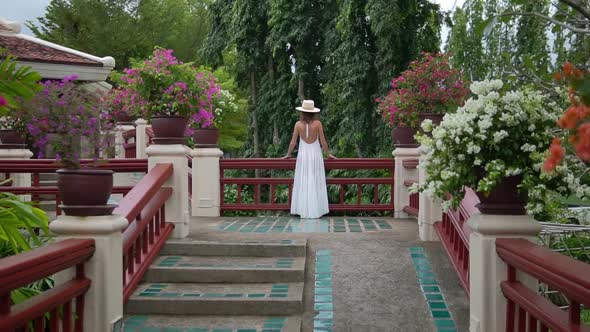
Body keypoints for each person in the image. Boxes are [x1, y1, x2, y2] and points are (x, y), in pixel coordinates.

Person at [282, 100, 335, 219]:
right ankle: (316, 209)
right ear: (313, 113)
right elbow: (323, 141)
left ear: (302, 112)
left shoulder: (297, 125)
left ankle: (302, 209)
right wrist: (328, 154)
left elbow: (293, 142)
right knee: (315, 180)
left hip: (303, 155)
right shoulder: (318, 124)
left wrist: (288, 154)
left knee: (304, 180)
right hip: (315, 155)